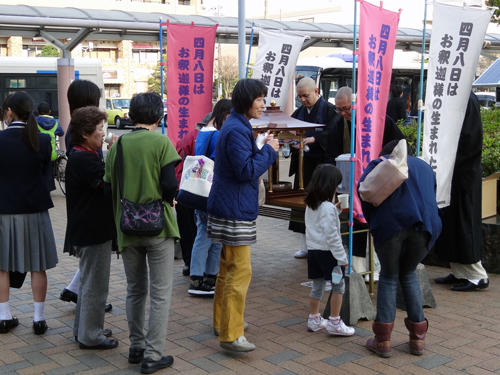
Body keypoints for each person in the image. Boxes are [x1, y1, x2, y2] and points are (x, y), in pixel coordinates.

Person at [104, 92, 180, 374]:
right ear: (159, 117)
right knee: (160, 293)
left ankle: (136, 346)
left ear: (132, 116)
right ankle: (152, 355)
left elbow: (108, 186)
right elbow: (170, 184)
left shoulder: (118, 145)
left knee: (135, 290)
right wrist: (168, 197)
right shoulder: (161, 141)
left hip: (127, 228)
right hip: (159, 227)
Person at [207, 79, 279, 352]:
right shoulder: (238, 128)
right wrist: (270, 151)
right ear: (247, 100)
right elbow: (247, 171)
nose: (263, 104)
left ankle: (223, 323)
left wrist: (263, 149)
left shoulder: (235, 125)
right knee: (239, 272)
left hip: (228, 206)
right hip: (235, 209)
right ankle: (231, 335)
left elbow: (243, 165)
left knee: (227, 271)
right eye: (260, 99)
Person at [358, 140, 442, 358]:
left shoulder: (381, 162)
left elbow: (364, 193)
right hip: (426, 226)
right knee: (408, 273)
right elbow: (431, 196)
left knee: (388, 276)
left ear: (387, 153)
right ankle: (417, 340)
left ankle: (382, 341)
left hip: (391, 224)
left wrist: (374, 224)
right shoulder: (424, 167)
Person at [325, 86, 405, 276]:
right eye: (339, 109)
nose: (343, 113)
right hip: (352, 186)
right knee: (356, 224)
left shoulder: (380, 121)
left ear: (357, 104)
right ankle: (359, 269)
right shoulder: (339, 125)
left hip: (380, 184)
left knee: (379, 223)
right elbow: (330, 155)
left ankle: (379, 267)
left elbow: (400, 146)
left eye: (346, 109)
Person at [0, 91, 58, 335]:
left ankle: (3, 317)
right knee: (37, 266)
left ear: (10, 112)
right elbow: (46, 174)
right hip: (35, 211)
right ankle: (39, 318)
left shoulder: (0, 140)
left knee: (2, 266)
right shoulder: (42, 140)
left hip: (3, 211)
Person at [64, 106, 118, 349]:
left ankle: (85, 329)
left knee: (89, 285)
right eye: (99, 130)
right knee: (96, 287)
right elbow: (109, 184)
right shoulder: (83, 159)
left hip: (89, 229)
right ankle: (91, 336)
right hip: (92, 231)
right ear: (85, 134)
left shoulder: (82, 155)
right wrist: (114, 153)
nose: (103, 133)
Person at [59, 80, 112, 313]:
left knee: (91, 267)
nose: (102, 134)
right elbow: (102, 179)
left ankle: (77, 292)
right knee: (94, 273)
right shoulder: (82, 138)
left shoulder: (77, 126)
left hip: (85, 213)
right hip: (90, 216)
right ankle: (90, 323)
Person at [434, 92, 489, 291]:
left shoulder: (467, 98)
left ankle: (476, 275)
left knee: (463, 221)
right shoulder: (456, 96)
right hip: (452, 171)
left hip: (463, 172)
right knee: (452, 222)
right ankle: (459, 271)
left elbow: (470, 139)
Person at [288, 77, 341, 258]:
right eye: (300, 97)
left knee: (320, 206)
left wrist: (316, 139)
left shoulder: (329, 110)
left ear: (316, 91)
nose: (302, 100)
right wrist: (292, 140)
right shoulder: (299, 112)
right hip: (303, 164)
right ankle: (305, 246)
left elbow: (334, 132)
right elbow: (289, 130)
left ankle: (322, 247)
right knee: (302, 204)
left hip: (321, 165)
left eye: (306, 96)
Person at [304, 164, 355, 337]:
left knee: (317, 286)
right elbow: (332, 235)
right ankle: (334, 321)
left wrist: (336, 211)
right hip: (329, 254)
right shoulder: (327, 207)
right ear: (329, 185)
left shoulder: (312, 204)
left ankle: (314, 318)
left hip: (314, 251)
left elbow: (317, 225)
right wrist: (342, 257)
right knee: (338, 286)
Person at [188, 99, 232, 295]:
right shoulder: (218, 134)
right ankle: (201, 278)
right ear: (225, 114)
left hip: (201, 189)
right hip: (215, 191)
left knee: (206, 233)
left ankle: (203, 277)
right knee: (211, 236)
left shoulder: (203, 131)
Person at [174, 115, 206, 277]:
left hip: (181, 187)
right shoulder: (206, 137)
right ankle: (199, 267)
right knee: (201, 229)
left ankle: (188, 263)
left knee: (186, 229)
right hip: (198, 189)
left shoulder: (186, 137)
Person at [36, 102, 65, 191]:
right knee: (50, 168)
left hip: (37, 151)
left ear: (37, 112)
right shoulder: (55, 123)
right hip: (51, 152)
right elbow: (61, 133)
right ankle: (49, 188)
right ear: (50, 112)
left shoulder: (34, 121)